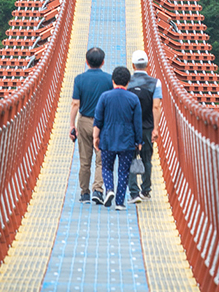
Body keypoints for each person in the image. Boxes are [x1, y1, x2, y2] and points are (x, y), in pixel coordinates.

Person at [93, 65, 142, 209]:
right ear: (128, 82)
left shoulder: (105, 97)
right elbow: (137, 122)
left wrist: (96, 137)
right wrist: (139, 141)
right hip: (127, 140)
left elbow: (98, 119)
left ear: (113, 80)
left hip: (107, 138)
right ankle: (120, 202)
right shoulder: (133, 99)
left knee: (107, 168)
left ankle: (109, 190)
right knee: (123, 171)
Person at [69, 47, 114, 203]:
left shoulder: (79, 79)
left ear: (86, 62)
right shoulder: (109, 79)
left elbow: (75, 103)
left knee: (84, 160)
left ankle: (84, 193)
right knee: (101, 160)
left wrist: (71, 125)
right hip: (103, 124)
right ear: (103, 62)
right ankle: (98, 190)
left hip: (84, 121)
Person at [126, 50, 162, 202]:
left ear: (133, 65)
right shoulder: (155, 83)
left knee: (131, 157)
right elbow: (156, 107)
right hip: (147, 127)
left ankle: (134, 192)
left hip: (130, 127)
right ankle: (145, 190)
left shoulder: (126, 82)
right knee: (147, 157)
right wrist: (156, 128)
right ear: (148, 65)